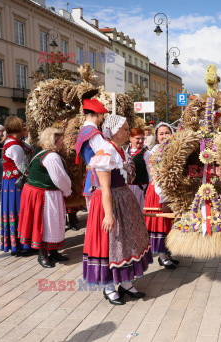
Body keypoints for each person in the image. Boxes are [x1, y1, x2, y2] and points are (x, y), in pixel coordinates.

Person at [83, 114, 153, 305]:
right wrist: (108, 214)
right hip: (108, 201)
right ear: (113, 132)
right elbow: (105, 187)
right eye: (124, 129)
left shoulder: (120, 150)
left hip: (123, 197)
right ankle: (108, 286)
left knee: (127, 241)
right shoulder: (105, 152)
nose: (127, 132)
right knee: (110, 242)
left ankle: (126, 282)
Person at [18, 128, 71, 268]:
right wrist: (67, 190)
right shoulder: (51, 156)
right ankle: (43, 255)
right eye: (60, 141)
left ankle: (53, 251)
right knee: (45, 223)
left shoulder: (41, 151)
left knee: (53, 222)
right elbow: (59, 178)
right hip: (43, 194)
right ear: (53, 141)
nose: (62, 143)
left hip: (43, 192)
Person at [144, 122, 179, 269]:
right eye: (161, 133)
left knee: (170, 223)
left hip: (170, 190)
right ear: (157, 137)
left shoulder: (173, 148)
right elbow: (157, 177)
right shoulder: (157, 151)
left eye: (167, 132)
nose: (165, 136)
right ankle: (163, 257)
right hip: (159, 192)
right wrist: (163, 198)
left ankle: (167, 252)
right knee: (162, 222)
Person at [0, 115, 33, 255]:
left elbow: (29, 147)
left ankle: (18, 244)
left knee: (14, 210)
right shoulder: (14, 146)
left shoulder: (13, 141)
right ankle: (20, 245)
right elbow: (23, 167)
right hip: (15, 183)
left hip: (10, 182)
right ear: (18, 128)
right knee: (19, 210)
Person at [74, 98, 111, 214]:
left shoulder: (84, 131)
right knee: (100, 214)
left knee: (94, 213)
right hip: (98, 177)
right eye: (101, 115)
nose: (102, 118)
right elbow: (107, 153)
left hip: (91, 174)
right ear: (97, 114)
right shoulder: (93, 133)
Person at [125, 128, 150, 209]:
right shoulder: (124, 149)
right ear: (131, 138)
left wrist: (148, 190)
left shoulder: (146, 153)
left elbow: (150, 173)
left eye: (142, 138)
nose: (140, 141)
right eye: (138, 138)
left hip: (140, 188)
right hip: (126, 188)